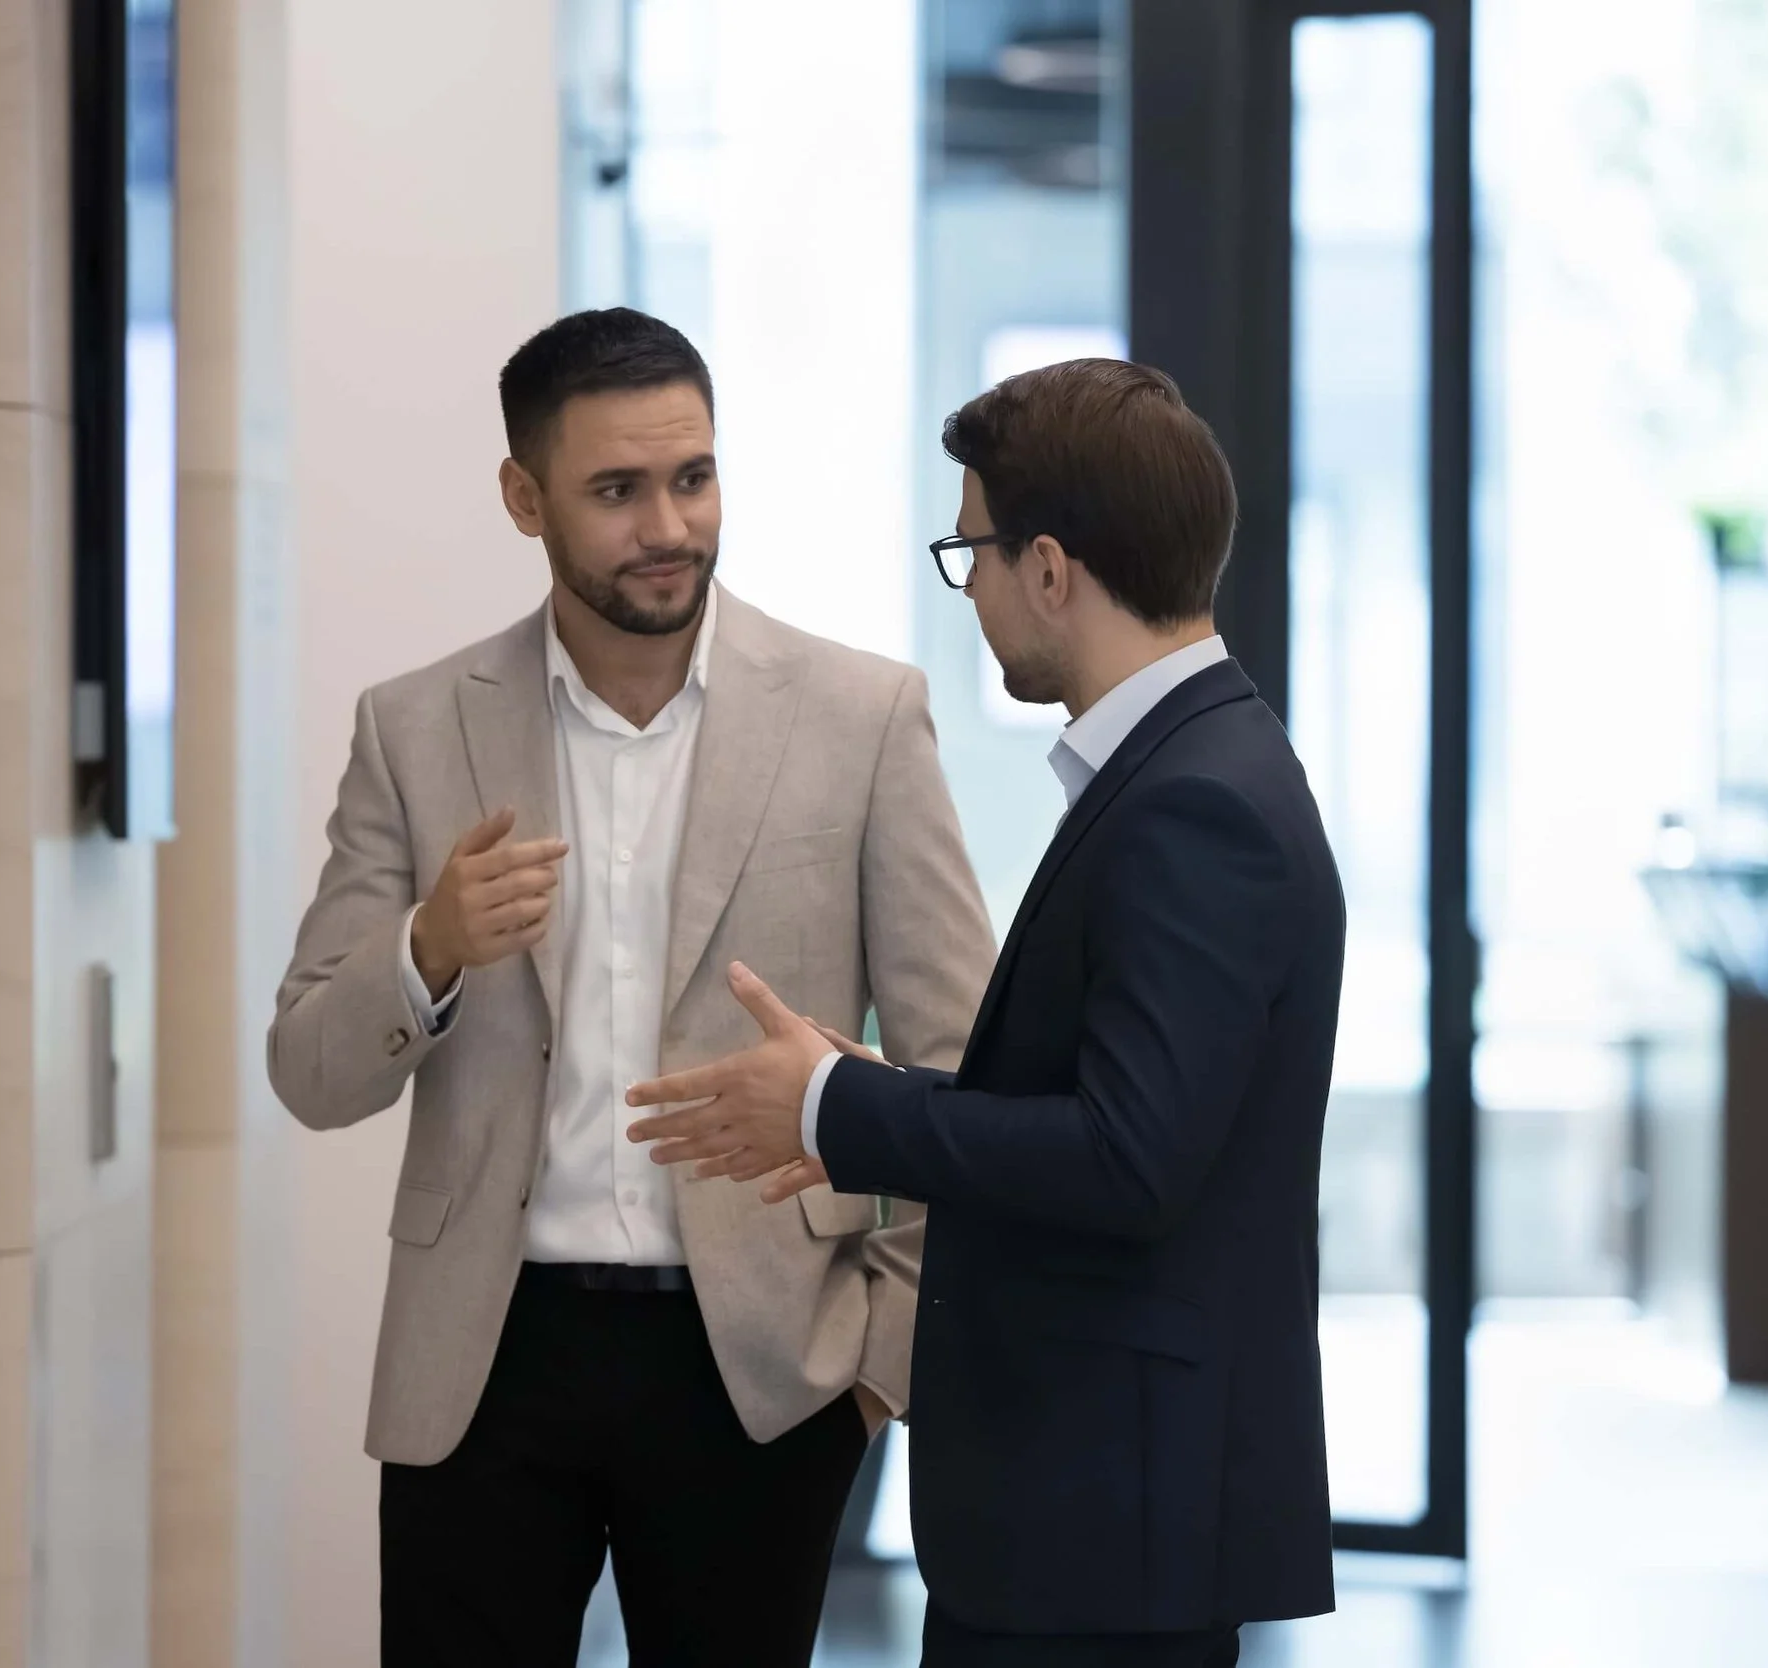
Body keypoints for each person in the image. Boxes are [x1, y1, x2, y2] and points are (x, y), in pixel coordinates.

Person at [267, 307, 994, 1667]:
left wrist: (881, 1349)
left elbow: (966, 1065)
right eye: (617, 490)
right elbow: (307, 1068)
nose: (669, 524)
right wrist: (427, 947)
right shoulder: (415, 728)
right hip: (483, 1362)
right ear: (523, 498)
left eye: (693, 478)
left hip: (762, 1370)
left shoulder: (862, 718)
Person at [626, 358, 1346, 1667]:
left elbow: (1128, 1162)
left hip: (1102, 1522)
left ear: (1053, 570)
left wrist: (841, 1109)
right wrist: (867, 1095)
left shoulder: (1198, 803)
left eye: (975, 557)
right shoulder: (1190, 765)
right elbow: (1108, 1111)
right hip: (1094, 1515)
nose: (974, 598)